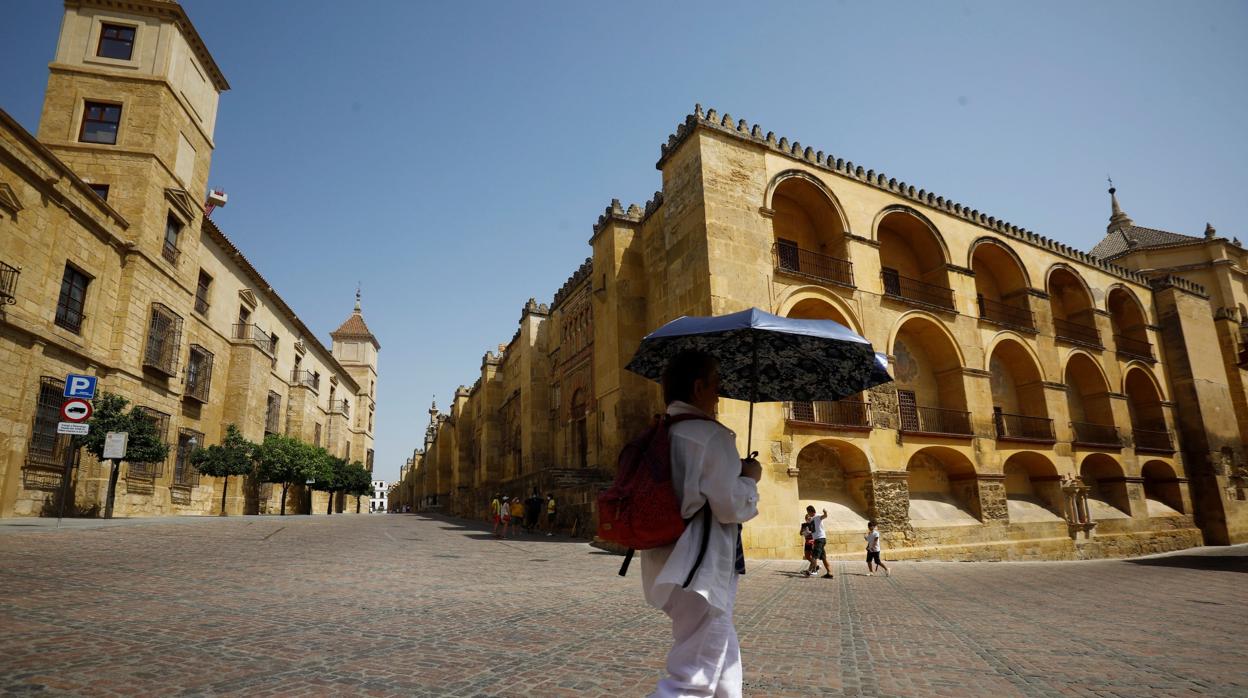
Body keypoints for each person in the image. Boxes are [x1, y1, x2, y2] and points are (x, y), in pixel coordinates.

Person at [640, 350, 760, 698]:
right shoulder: (711, 436)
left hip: (666, 561)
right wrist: (750, 478)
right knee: (691, 679)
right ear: (698, 387)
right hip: (701, 567)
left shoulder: (664, 432)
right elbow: (729, 506)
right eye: (715, 385)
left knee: (719, 648)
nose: (719, 394)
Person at [804, 505, 832, 578]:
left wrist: (825, 512)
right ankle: (829, 573)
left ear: (810, 511)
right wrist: (808, 532)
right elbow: (814, 530)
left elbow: (824, 516)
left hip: (820, 539)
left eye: (808, 512)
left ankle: (809, 571)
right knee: (823, 557)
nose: (808, 514)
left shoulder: (818, 516)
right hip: (818, 539)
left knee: (814, 556)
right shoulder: (812, 519)